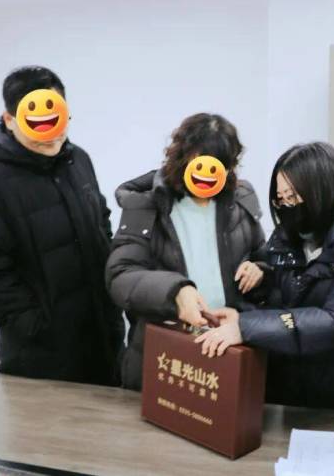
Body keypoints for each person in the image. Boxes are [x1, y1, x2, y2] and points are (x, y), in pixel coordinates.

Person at [195, 142, 334, 411]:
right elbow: (283, 305)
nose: (286, 206)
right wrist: (241, 315)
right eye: (280, 199)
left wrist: (246, 328)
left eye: (293, 197)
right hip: (300, 389)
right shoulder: (290, 235)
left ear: (321, 191)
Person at [0, 66, 124, 385]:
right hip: (42, 358)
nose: (51, 135)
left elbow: (101, 220)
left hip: (102, 338)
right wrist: (36, 326)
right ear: (10, 119)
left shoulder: (79, 160)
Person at [105, 113, 266, 391]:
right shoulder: (147, 204)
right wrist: (175, 292)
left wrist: (261, 270)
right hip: (165, 354)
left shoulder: (240, 202)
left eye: (220, 164)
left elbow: (262, 256)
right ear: (183, 157)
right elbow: (120, 275)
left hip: (226, 351)